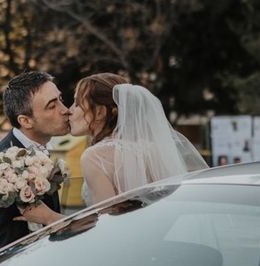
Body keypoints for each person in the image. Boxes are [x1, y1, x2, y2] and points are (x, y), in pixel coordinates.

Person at [20, 72, 208, 224]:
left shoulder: (94, 157)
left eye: (77, 103)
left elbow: (107, 227)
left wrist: (49, 218)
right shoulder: (151, 149)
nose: (69, 110)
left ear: (100, 112)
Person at [0, 71, 70, 260]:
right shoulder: (2, 172)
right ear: (25, 121)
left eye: (60, 99)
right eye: (52, 106)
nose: (65, 109)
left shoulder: (39, 151)